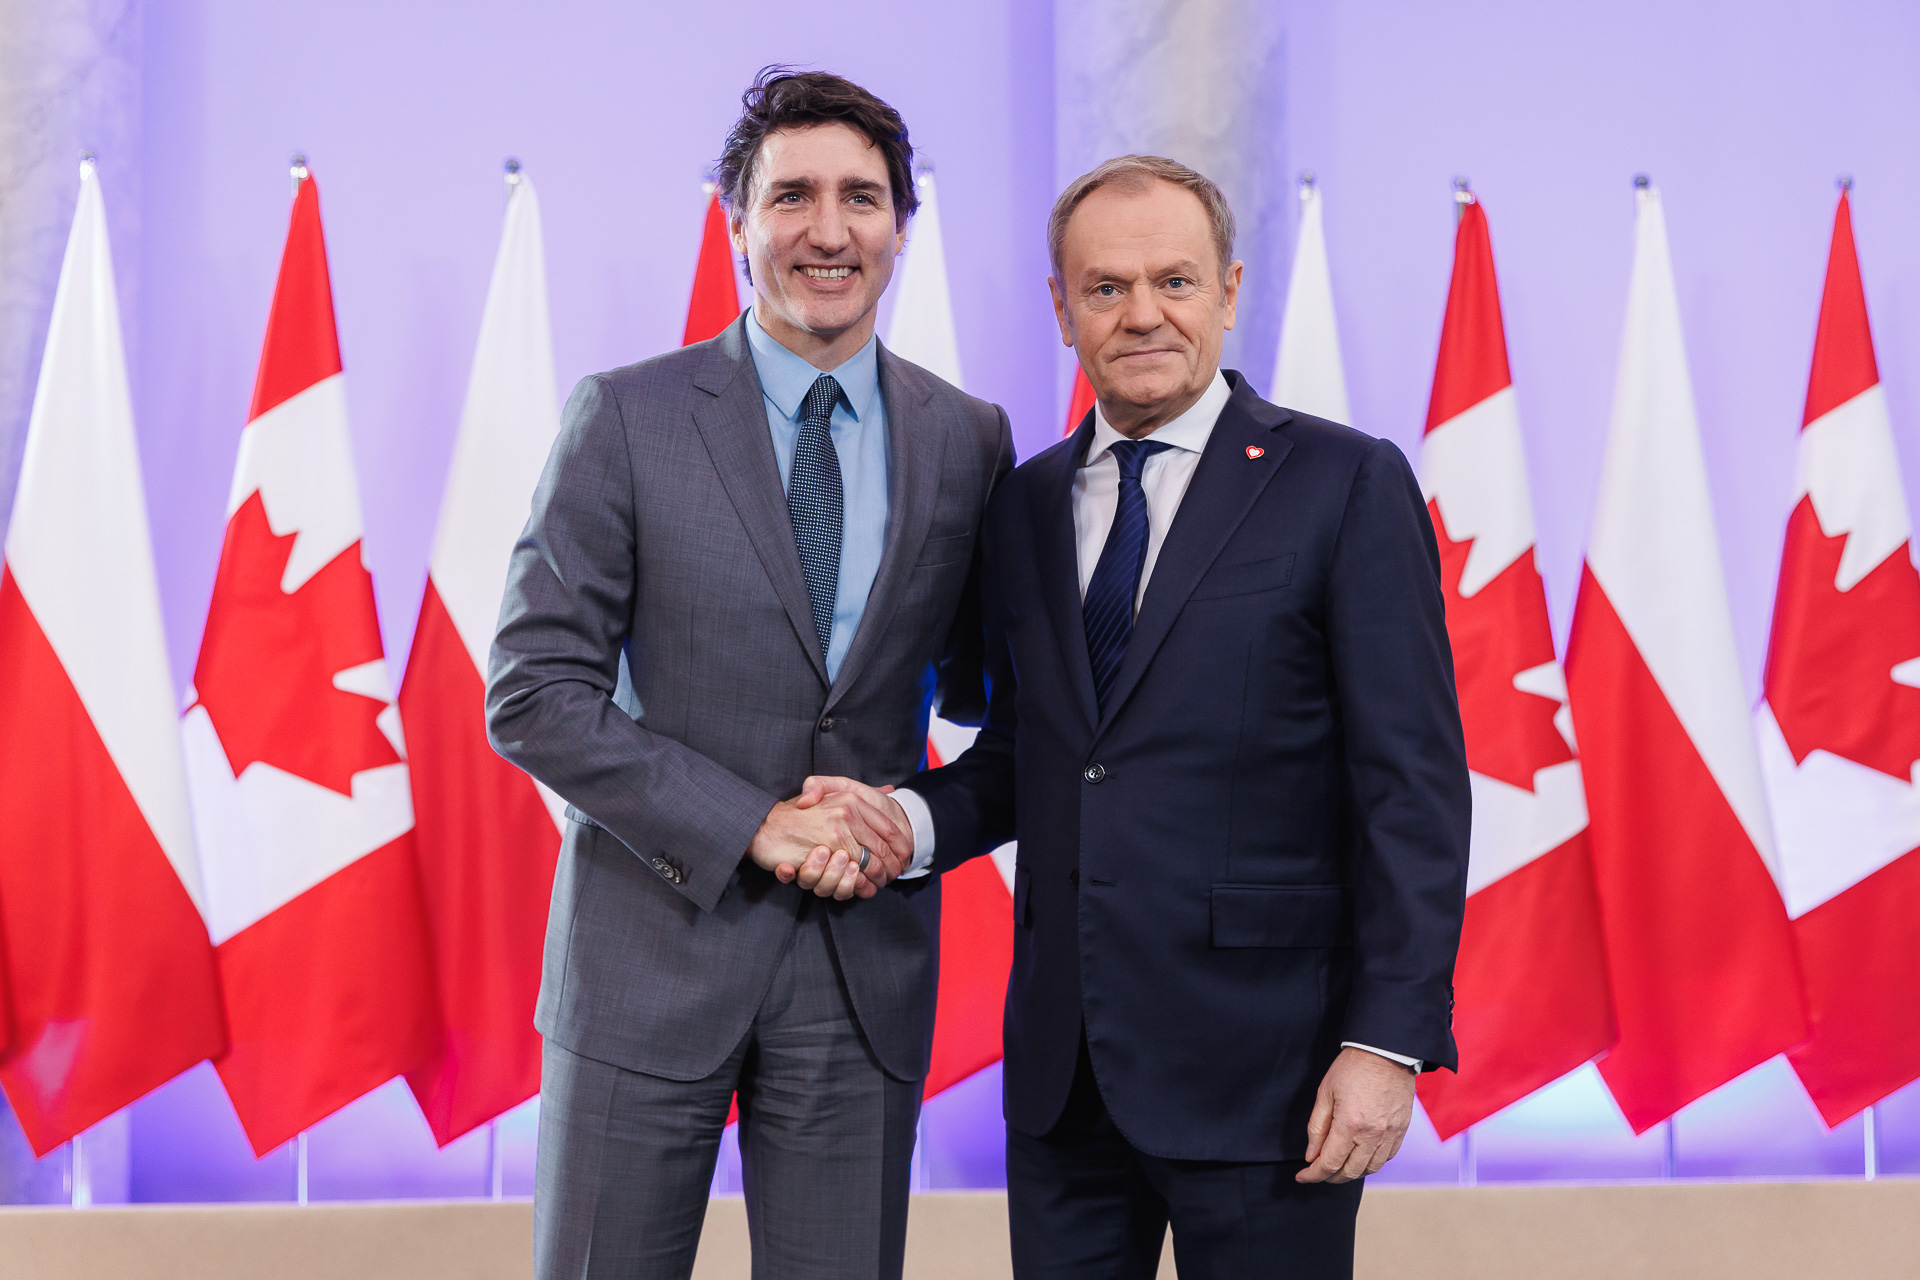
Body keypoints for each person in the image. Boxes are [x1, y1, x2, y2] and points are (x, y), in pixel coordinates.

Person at [804, 155, 1470, 1278]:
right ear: (1062, 309)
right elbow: (1036, 754)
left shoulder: (1344, 484)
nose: (1144, 312)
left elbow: (1411, 786)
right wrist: (900, 824)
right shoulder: (1021, 502)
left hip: (1275, 1076)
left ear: (1229, 290)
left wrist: (1385, 1042)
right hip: (1066, 1079)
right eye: (1106, 287)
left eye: (1175, 279)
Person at [486, 68, 1013, 1280]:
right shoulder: (626, 416)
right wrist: (752, 825)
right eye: (793, 197)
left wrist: (909, 821)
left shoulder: (966, 436)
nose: (829, 230)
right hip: (645, 955)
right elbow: (534, 688)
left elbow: (995, 703)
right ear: (737, 225)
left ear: (900, 225)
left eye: (861, 198)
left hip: (861, 967)